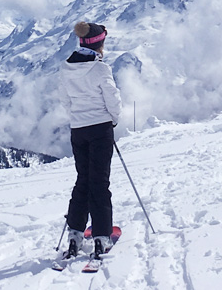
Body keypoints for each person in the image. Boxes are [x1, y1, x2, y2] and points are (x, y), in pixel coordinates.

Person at [58, 21, 122, 262]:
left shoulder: (66, 68)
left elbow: (64, 99)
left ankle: (74, 235)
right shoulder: (100, 69)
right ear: (100, 44)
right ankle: (101, 237)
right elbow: (112, 100)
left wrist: (77, 117)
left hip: (78, 130)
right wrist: (112, 120)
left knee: (82, 180)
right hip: (100, 129)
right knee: (99, 183)